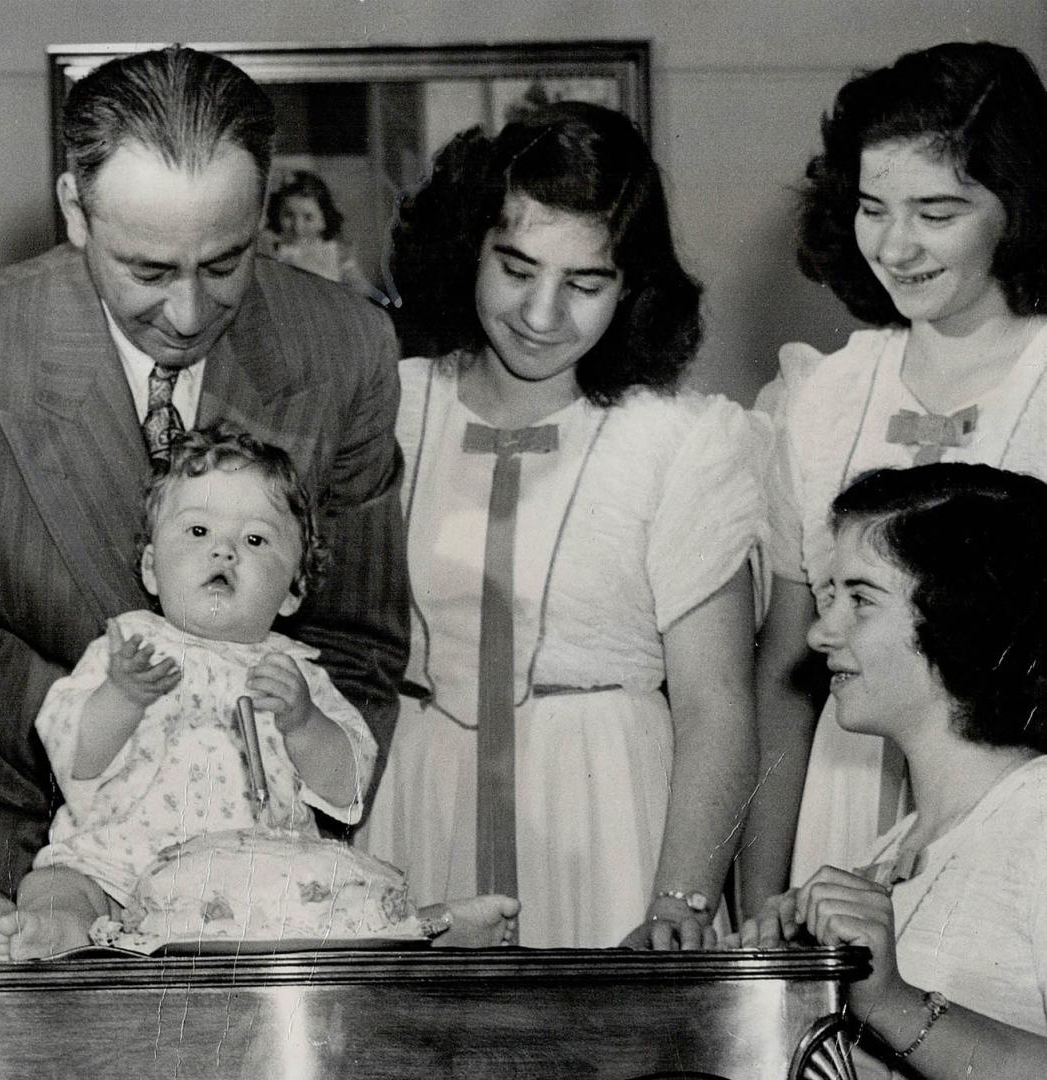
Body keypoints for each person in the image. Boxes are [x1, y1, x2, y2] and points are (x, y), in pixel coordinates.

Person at [0, 45, 410, 958]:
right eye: (147, 271)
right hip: (8, 842)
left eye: (225, 263)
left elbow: (357, 647)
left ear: (262, 208)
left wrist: (269, 871)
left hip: (254, 888)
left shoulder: (344, 348)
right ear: (75, 208)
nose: (187, 314)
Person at [359, 103, 765, 949]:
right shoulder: (389, 404)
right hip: (417, 808)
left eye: (585, 284)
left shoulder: (680, 441)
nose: (543, 314)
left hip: (613, 818)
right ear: (468, 246)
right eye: (515, 268)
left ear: (632, 287)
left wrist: (678, 904)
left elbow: (716, 703)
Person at [742, 42, 1047, 912]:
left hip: (1017, 828)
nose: (895, 245)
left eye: (937, 212)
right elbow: (784, 672)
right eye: (873, 208)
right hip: (839, 813)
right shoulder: (821, 394)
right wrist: (763, 892)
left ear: (1017, 209)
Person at [0, 424, 376, 957]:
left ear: (293, 590)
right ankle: (56, 933)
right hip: (118, 872)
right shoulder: (126, 650)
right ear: (151, 567)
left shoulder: (298, 677)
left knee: (335, 900)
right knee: (57, 887)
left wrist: (304, 723)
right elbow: (72, 756)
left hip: (254, 893)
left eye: (255, 540)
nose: (224, 552)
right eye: (198, 532)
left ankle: (422, 932)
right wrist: (123, 696)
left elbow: (349, 789)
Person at [729, 464, 1047, 1078]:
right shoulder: (894, 848)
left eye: (861, 600)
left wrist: (895, 1006)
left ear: (961, 616)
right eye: (829, 597)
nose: (821, 633)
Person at [263, 170, 375, 296]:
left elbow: (360, 287)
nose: (297, 226)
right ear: (277, 213)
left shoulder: (337, 252)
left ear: (324, 219)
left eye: (308, 217)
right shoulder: (274, 250)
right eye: (288, 215)